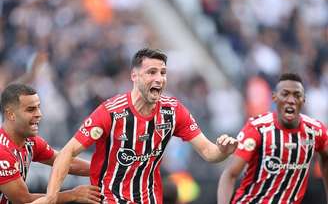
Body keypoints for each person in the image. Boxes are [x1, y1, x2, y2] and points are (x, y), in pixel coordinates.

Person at [31, 48, 238, 204]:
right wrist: (51, 197)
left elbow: (209, 152)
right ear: (134, 76)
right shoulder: (111, 112)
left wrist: (223, 150)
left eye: (163, 73)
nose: (159, 79)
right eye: (152, 72)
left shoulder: (173, 111)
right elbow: (68, 152)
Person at [218, 73, 328, 204]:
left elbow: (326, 158)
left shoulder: (316, 131)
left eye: (297, 95)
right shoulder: (257, 128)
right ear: (274, 98)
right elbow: (230, 174)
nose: (291, 100)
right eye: (285, 94)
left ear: (303, 100)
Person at [0, 83, 101, 203]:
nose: (39, 114)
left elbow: (65, 163)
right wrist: (73, 195)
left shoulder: (30, 142)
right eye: (31, 109)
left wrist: (108, 168)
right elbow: (23, 200)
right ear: (11, 114)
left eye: (38, 107)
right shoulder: (2, 152)